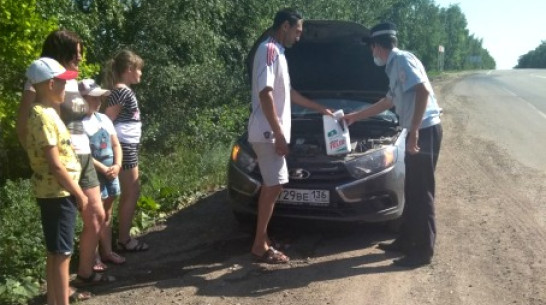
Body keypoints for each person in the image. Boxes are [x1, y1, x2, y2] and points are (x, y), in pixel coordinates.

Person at [15, 30, 113, 286]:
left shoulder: (69, 81)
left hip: (85, 155)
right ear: (62, 52)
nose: (80, 59)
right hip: (62, 161)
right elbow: (23, 126)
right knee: (63, 235)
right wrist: (39, 160)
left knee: (96, 216)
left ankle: (84, 273)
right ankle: (62, 290)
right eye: (76, 54)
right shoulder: (40, 83)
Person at [344, 22, 443, 268]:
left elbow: (422, 91)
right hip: (419, 128)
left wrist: (415, 131)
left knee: (422, 192)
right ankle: (406, 240)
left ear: (377, 46)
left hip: (425, 129)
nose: (372, 53)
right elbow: (388, 101)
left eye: (372, 49)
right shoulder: (393, 65)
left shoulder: (402, 60)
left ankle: (422, 251)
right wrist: (356, 116)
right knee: (412, 189)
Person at [248, 8, 333, 264]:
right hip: (267, 133)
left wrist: (320, 109)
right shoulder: (269, 50)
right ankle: (259, 245)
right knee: (273, 185)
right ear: (284, 26)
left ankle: (261, 240)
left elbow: (289, 93)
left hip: (270, 132)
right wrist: (278, 134)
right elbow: (266, 93)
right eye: (297, 31)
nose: (299, 37)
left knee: (275, 185)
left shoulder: (279, 53)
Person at [24, 57, 89, 305]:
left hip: (53, 192)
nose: (65, 88)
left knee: (55, 252)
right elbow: (55, 164)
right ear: (50, 84)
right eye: (62, 83)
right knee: (63, 254)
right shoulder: (43, 117)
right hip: (59, 193)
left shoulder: (46, 113)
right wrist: (80, 194)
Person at [103, 49, 149, 252]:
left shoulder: (123, 91)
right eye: (139, 69)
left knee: (131, 191)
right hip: (124, 146)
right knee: (131, 191)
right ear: (129, 69)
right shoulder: (121, 91)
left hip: (127, 145)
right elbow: (106, 120)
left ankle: (122, 237)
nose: (141, 74)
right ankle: (124, 239)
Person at [80, 79, 126, 272]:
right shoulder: (77, 124)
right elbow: (85, 154)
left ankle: (107, 251)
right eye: (94, 98)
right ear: (82, 99)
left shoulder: (104, 119)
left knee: (107, 213)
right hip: (94, 174)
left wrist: (117, 164)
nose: (98, 101)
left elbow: (116, 144)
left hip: (111, 172)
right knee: (94, 217)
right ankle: (94, 257)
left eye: (100, 97)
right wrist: (102, 168)